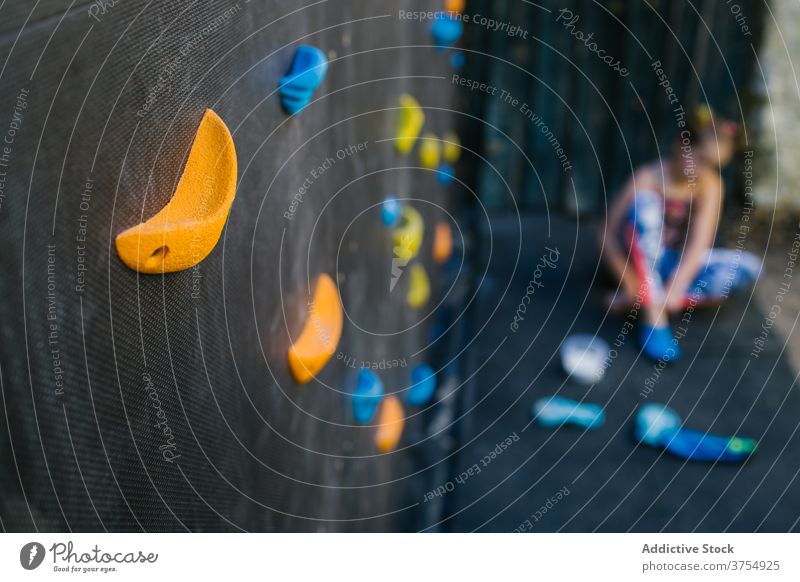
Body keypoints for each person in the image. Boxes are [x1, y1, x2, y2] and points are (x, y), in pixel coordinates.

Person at [599, 105, 760, 363]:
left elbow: (699, 242)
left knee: (748, 267)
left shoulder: (711, 184)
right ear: (681, 145)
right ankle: (654, 316)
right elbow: (605, 236)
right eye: (701, 159)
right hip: (636, 263)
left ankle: (638, 301)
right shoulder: (646, 178)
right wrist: (630, 281)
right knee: (646, 207)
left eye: (712, 165)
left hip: (671, 265)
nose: (703, 170)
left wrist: (678, 284)